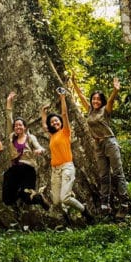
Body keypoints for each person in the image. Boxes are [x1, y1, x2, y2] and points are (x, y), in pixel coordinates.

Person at [71, 75, 129, 218]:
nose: (95, 101)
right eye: (94, 99)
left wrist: (115, 91)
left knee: (117, 173)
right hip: (98, 146)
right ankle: (105, 206)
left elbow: (111, 100)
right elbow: (82, 98)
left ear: (101, 101)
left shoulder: (105, 110)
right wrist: (74, 83)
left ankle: (124, 204)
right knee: (104, 176)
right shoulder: (90, 110)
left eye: (98, 99)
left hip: (109, 142)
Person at [40, 88, 94, 224]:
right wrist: (43, 112)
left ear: (60, 122)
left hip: (67, 167)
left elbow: (64, 114)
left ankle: (85, 211)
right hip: (55, 170)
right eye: (52, 122)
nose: (54, 123)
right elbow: (44, 125)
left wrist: (62, 98)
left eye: (56, 121)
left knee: (64, 198)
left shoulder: (65, 132)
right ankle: (68, 218)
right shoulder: (52, 135)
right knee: (57, 201)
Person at [2, 92, 49, 210]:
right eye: (16, 125)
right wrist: (9, 101)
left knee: (27, 197)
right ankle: (16, 200)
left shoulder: (30, 138)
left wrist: (40, 150)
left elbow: (39, 147)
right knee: (7, 199)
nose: (18, 127)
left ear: (25, 127)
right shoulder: (11, 136)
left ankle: (39, 198)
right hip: (14, 170)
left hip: (27, 170)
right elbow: (8, 117)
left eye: (20, 125)